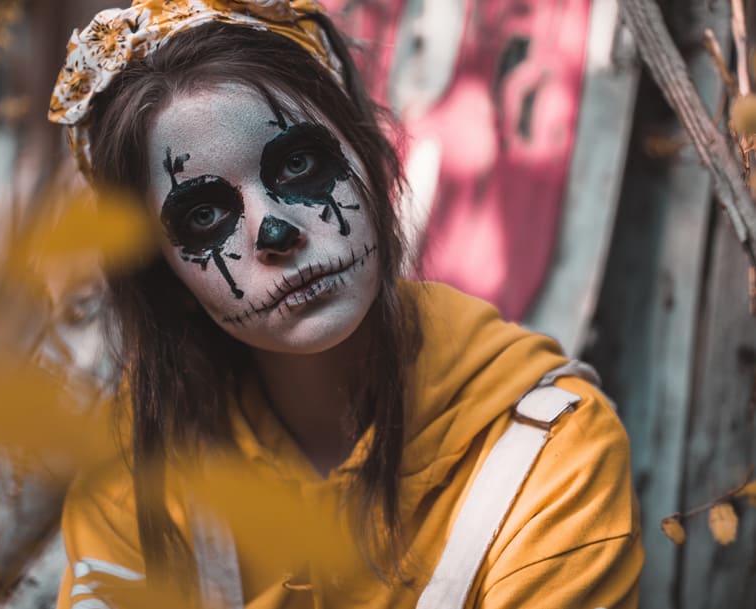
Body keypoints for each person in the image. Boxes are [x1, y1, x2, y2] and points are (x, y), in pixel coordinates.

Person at [47, 1, 644, 607]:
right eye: (204, 215)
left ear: (369, 156)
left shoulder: (551, 457)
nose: (276, 233)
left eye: (298, 163)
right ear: (165, 276)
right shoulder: (131, 467)